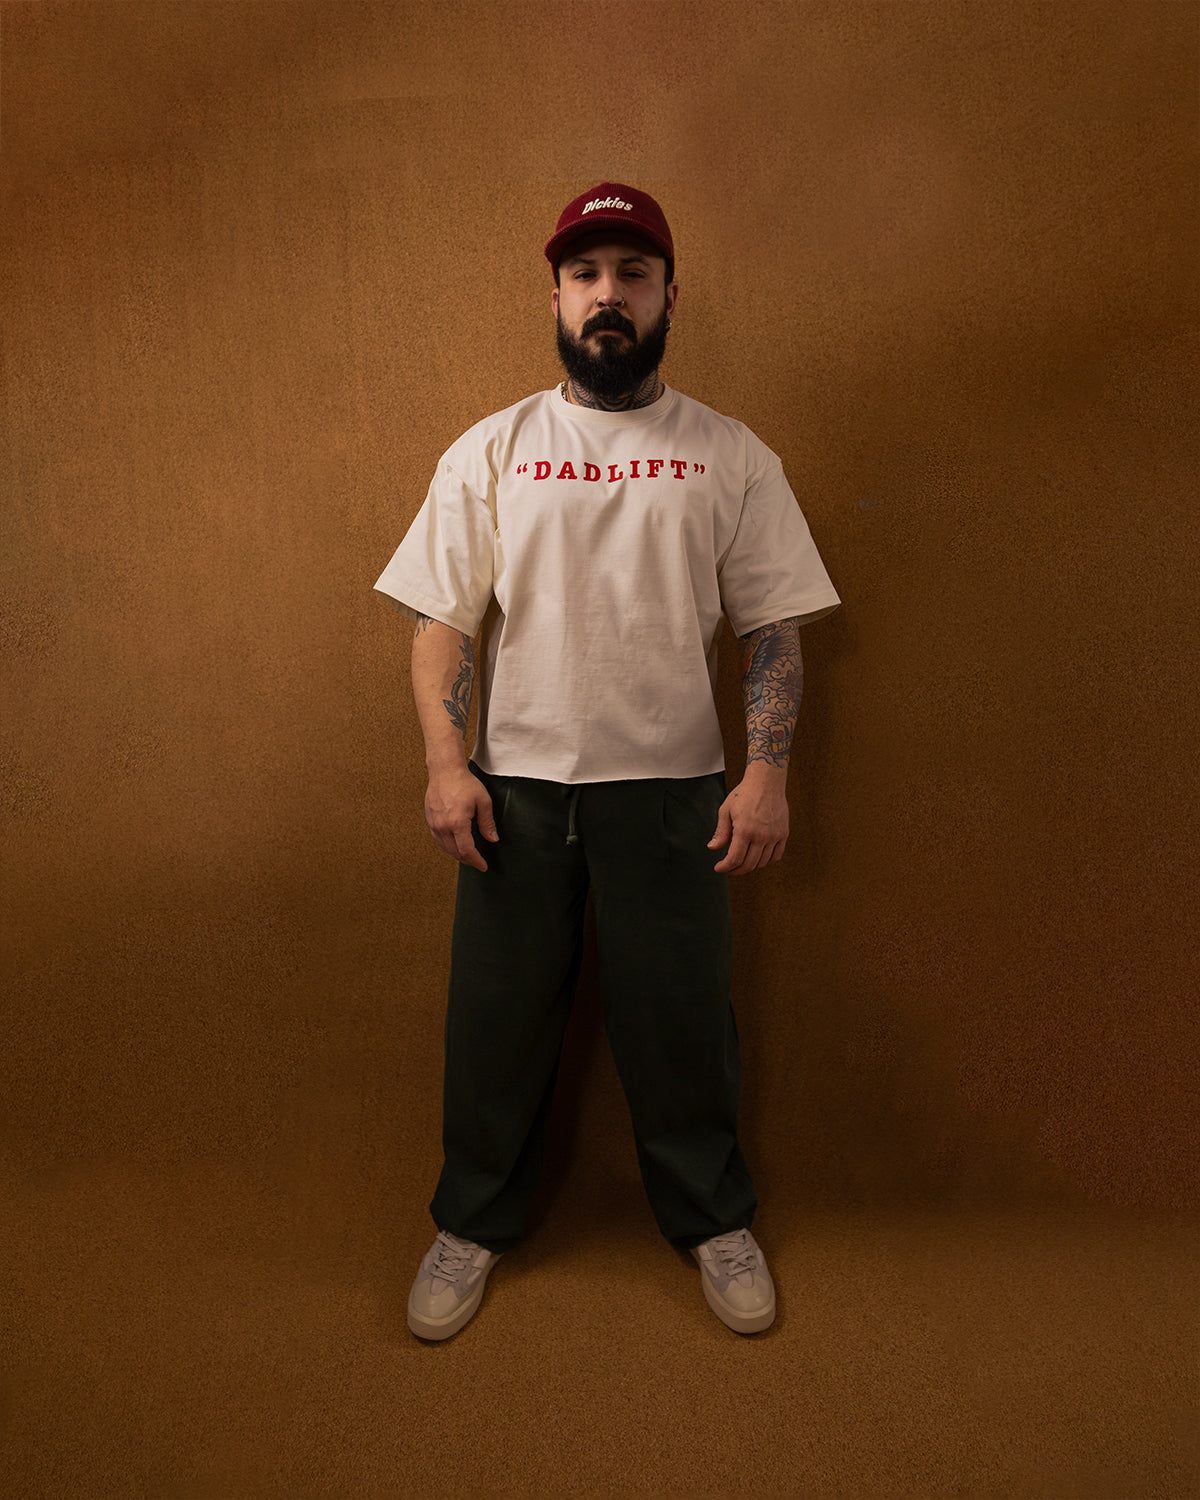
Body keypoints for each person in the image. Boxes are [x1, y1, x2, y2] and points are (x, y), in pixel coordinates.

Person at [374, 182, 840, 1341]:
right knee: (495, 1024)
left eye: (633, 274)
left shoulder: (730, 455)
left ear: (670, 296)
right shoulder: (496, 448)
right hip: (516, 790)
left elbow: (773, 627)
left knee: (683, 1023)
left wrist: (767, 773)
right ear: (556, 298)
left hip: (676, 789)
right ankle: (473, 1221)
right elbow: (442, 620)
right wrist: (446, 761)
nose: (609, 296)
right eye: (587, 276)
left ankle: (711, 1220)